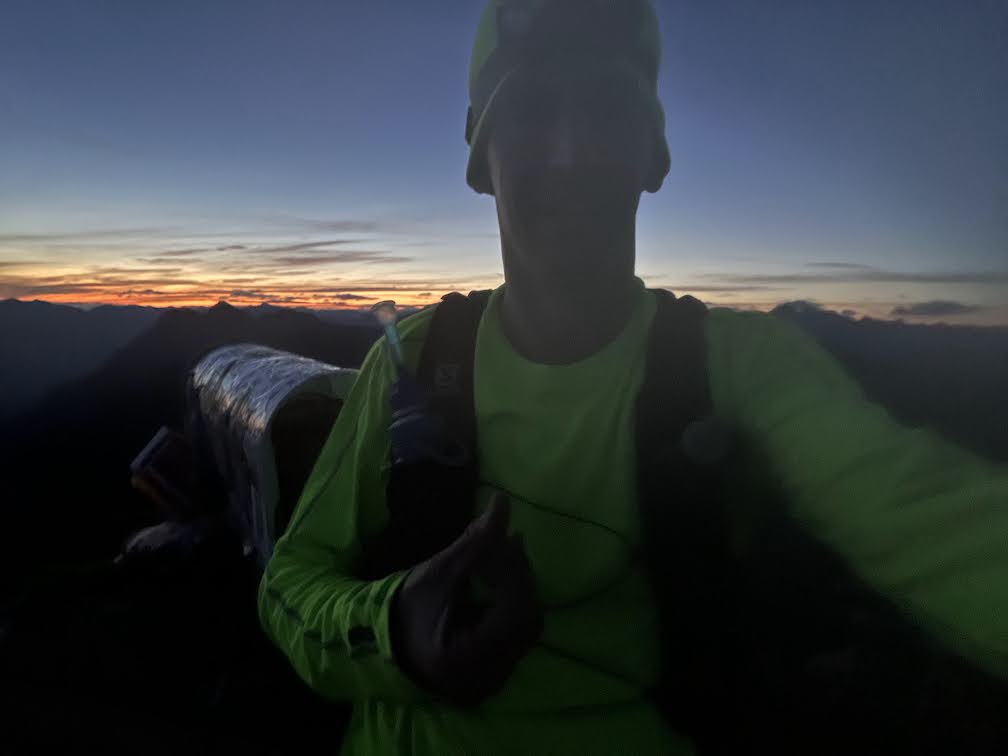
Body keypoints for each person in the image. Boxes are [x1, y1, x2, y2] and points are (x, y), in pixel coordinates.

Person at [258, 2, 1008, 754]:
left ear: (655, 153)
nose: (571, 151)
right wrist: (395, 632)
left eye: (608, 107)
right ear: (479, 158)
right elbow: (289, 582)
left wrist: (398, 640)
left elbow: (933, 518)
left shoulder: (738, 364)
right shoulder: (411, 359)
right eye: (531, 110)